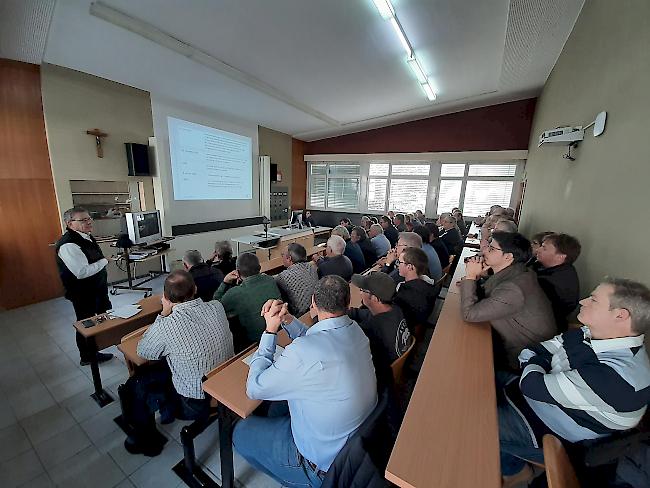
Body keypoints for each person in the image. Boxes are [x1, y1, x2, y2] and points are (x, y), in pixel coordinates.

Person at [497, 278, 650, 486]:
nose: (583, 301)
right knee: (473, 382)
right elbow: (534, 351)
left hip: (551, 431)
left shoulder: (617, 377)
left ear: (620, 315)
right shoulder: (592, 333)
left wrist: (537, 370)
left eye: (593, 300)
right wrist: (538, 370)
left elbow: (531, 385)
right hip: (537, 399)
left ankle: (517, 470)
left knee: (473, 424)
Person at [233, 276, 378, 487]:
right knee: (276, 407)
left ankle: (298, 480)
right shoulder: (356, 331)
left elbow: (254, 388)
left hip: (319, 465)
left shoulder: (303, 352)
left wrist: (269, 331)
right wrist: (288, 320)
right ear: (348, 303)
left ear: (313, 303)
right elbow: (313, 338)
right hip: (349, 448)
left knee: (240, 432)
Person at [121, 270, 234, 456]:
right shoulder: (216, 306)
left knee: (134, 385)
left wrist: (164, 313)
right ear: (195, 288)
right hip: (223, 384)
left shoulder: (167, 324)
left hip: (195, 403)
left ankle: (147, 443)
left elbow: (144, 352)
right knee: (164, 367)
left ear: (165, 297)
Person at [459, 231, 557, 370]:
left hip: (520, 357)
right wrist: (476, 277)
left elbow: (469, 314)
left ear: (508, 257)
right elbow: (489, 294)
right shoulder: (518, 271)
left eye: (491, 249)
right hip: (506, 339)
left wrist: (469, 277)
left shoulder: (514, 288)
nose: (485, 250)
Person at [55, 207, 113, 366]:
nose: (88, 222)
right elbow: (81, 272)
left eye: (89, 219)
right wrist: (105, 261)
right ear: (70, 223)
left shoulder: (85, 236)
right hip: (82, 292)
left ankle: (96, 349)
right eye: (83, 220)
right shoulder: (68, 245)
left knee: (99, 318)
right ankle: (87, 356)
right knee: (85, 323)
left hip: (96, 288)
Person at [348, 272, 411, 383]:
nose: (360, 292)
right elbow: (365, 314)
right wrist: (345, 312)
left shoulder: (371, 329)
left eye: (363, 290)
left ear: (375, 298)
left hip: (379, 377)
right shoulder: (395, 309)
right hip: (391, 366)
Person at [213, 252, 281, 352]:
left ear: (237, 272)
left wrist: (225, 282)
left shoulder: (235, 293)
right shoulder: (270, 279)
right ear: (259, 267)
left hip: (257, 342)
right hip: (280, 331)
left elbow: (216, 306)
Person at [534, 233, 581, 331]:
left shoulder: (553, 282)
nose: (538, 250)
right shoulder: (544, 266)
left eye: (544, 248)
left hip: (543, 328)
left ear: (560, 257)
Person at [394, 247, 439, 330]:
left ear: (410, 267)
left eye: (399, 262)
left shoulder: (404, 295)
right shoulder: (429, 284)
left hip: (407, 329)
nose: (397, 265)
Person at [275, 243, 319, 317]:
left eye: (282, 255)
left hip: (301, 315)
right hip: (317, 307)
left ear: (289, 258)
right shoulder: (312, 267)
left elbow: (275, 280)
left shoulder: (282, 277)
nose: (281, 258)